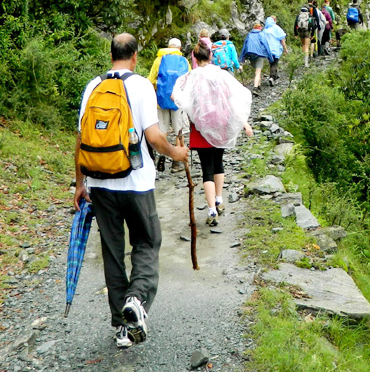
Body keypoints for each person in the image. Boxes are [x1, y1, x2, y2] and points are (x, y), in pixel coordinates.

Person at [74, 33, 189, 349]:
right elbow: (153, 137)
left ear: (111, 55)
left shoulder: (92, 87)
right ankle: (136, 302)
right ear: (135, 57)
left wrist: (80, 183)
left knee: (112, 253)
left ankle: (121, 328)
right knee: (148, 241)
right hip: (136, 183)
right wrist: (176, 154)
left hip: (99, 184)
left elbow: (81, 140)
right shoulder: (140, 86)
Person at [173, 43, 253, 226]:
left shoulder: (190, 77)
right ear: (210, 56)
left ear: (194, 57)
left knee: (206, 169)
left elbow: (175, 97)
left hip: (201, 128)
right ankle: (219, 200)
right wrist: (244, 123)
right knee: (219, 163)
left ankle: (211, 210)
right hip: (221, 124)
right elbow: (233, 98)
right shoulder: (221, 74)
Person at [147, 38, 190, 172]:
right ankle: (177, 163)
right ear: (179, 48)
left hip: (161, 101)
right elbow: (189, 80)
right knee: (179, 130)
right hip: (177, 101)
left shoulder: (159, 60)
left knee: (162, 130)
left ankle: (161, 154)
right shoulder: (184, 61)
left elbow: (151, 79)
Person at [239, 23, 274, 95]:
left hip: (250, 55)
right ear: (260, 28)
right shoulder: (261, 34)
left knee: (257, 71)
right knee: (258, 72)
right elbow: (266, 45)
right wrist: (270, 58)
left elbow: (244, 47)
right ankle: (255, 88)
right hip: (260, 55)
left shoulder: (249, 35)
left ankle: (259, 86)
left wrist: (241, 60)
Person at [261, 15, 287, 85]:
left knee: (271, 63)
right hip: (275, 48)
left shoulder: (265, 30)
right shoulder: (276, 28)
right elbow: (282, 39)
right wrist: (285, 49)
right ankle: (272, 77)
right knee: (275, 63)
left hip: (267, 50)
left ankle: (275, 76)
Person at [294, 0, 316, 67]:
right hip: (307, 31)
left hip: (300, 31)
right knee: (306, 46)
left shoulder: (299, 15)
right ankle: (306, 63)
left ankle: (302, 60)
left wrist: (296, 34)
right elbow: (313, 25)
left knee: (303, 45)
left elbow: (295, 24)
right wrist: (312, 34)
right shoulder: (309, 15)